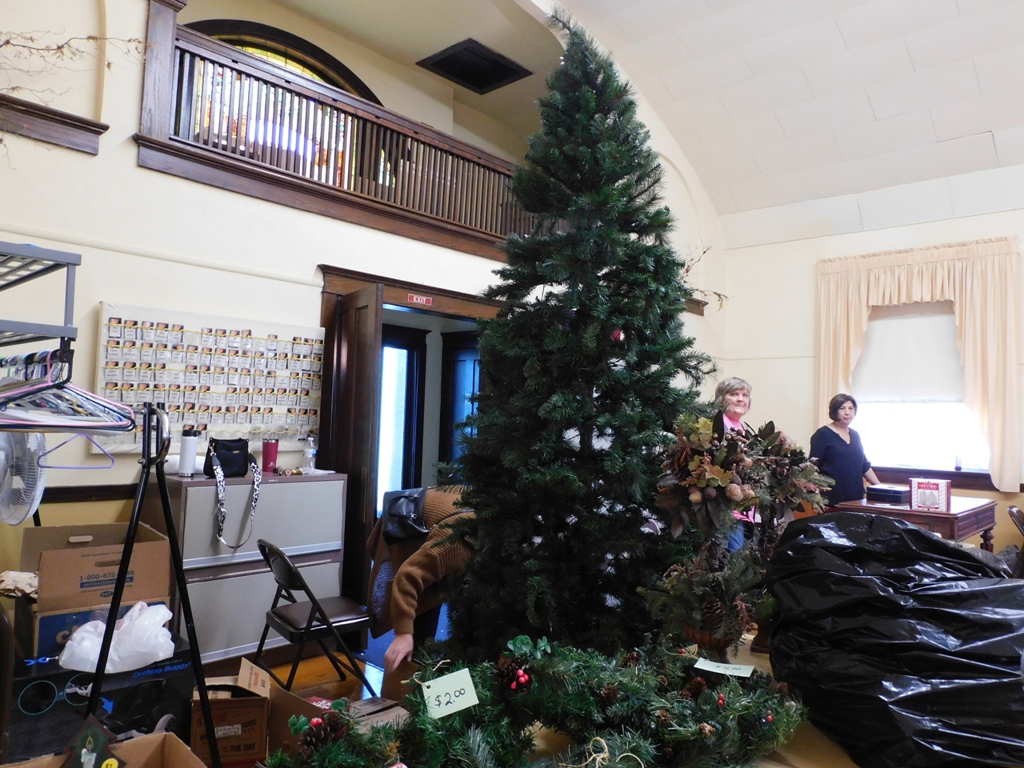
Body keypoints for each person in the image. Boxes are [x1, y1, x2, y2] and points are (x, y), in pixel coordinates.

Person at [366, 486, 473, 697]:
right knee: (417, 640)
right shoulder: (460, 541)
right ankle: (400, 704)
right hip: (409, 534)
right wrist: (403, 633)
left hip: (438, 532)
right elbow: (407, 576)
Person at [809, 393, 880, 506]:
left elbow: (864, 465)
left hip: (856, 499)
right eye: (842, 408)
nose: (847, 412)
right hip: (832, 500)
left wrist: (880, 487)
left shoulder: (855, 435)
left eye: (851, 408)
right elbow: (812, 467)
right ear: (834, 411)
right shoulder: (822, 434)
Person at [714, 377, 755, 551]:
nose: (740, 399)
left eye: (745, 395)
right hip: (726, 506)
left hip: (742, 506)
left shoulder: (742, 427)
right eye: (734, 394)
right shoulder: (718, 424)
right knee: (732, 556)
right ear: (721, 399)